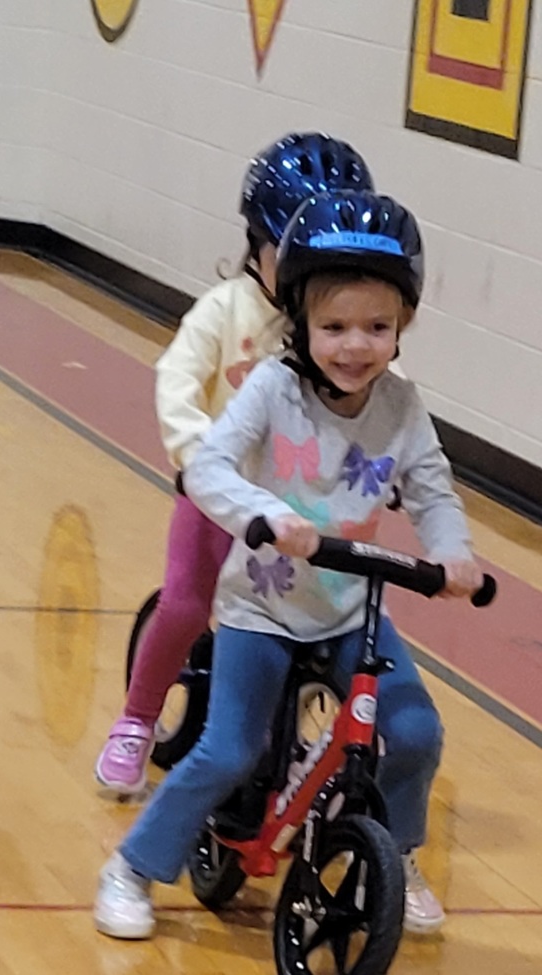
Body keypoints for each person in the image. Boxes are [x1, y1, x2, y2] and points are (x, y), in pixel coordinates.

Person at [94, 188, 484, 939]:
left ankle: (396, 854)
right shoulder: (272, 389)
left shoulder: (401, 407)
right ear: (299, 322)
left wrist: (451, 551)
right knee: (230, 749)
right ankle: (133, 867)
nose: (354, 345)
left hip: (350, 610)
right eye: (334, 326)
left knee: (414, 732)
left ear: (403, 325)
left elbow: (432, 488)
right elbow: (208, 470)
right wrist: (264, 516)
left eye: (377, 326)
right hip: (261, 610)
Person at [95, 133, 375, 795]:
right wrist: (199, 458)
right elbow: (177, 380)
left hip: (303, 504)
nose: (313, 277)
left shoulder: (338, 329)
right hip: (221, 499)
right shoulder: (224, 311)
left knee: (321, 623)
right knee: (189, 605)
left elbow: (380, 400)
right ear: (258, 244)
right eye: (297, 258)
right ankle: (136, 720)